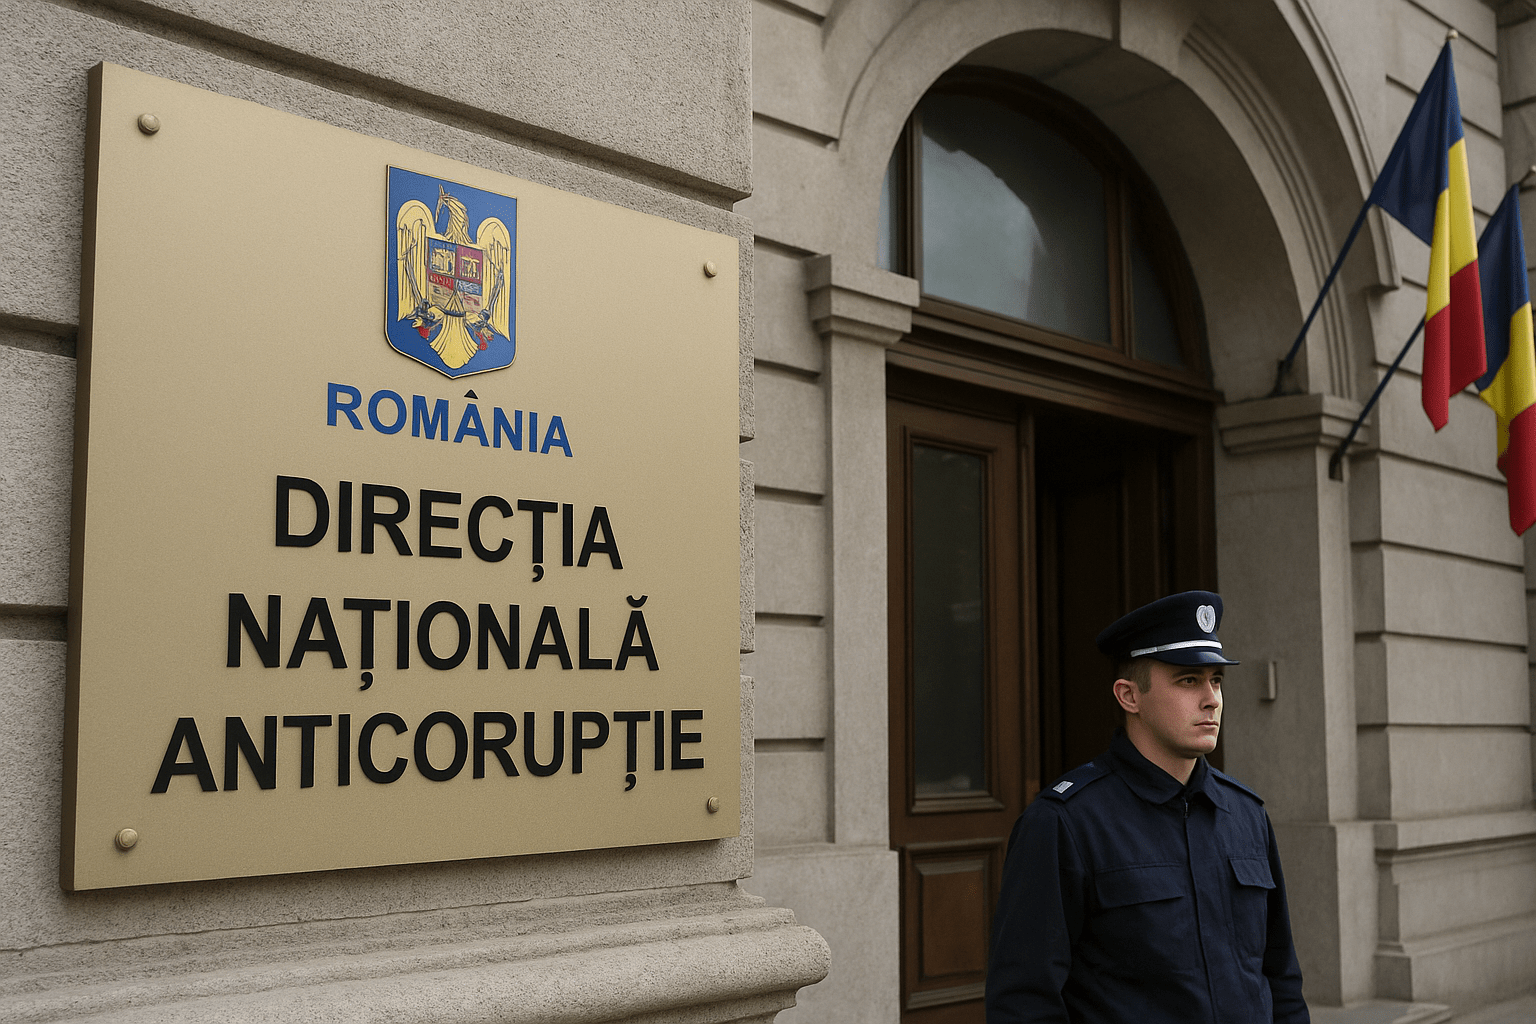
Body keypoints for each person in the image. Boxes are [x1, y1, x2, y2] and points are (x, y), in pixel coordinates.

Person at [985, 591, 1308, 1024]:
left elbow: (1280, 978)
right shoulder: (1065, 822)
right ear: (1129, 696)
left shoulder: (1246, 815)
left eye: (1216, 680)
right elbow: (1024, 1002)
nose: (1212, 699)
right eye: (1188, 680)